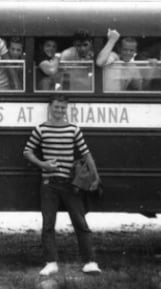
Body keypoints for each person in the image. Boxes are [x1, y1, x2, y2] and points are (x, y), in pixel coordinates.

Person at [23, 95, 102, 276]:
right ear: (50, 108)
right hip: (49, 183)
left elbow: (86, 153)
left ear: (66, 109)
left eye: (62, 108)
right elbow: (27, 151)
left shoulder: (73, 130)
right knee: (48, 224)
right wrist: (43, 164)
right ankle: (51, 263)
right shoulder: (40, 129)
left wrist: (96, 176)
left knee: (80, 222)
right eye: (56, 107)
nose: (59, 111)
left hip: (70, 183)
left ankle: (90, 262)